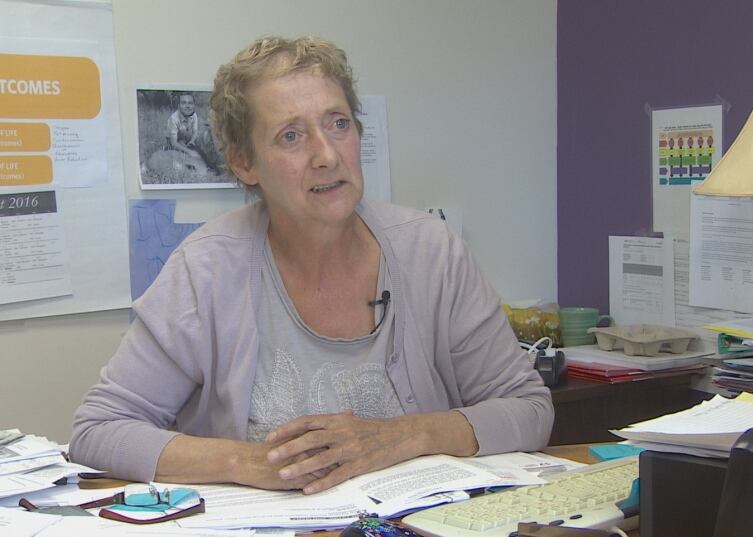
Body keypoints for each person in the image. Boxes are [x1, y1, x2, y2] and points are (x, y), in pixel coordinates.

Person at [70, 36, 554, 495]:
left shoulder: (431, 251)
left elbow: (529, 409)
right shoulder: (206, 270)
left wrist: (403, 436)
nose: (326, 155)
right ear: (244, 163)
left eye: (338, 123)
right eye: (291, 135)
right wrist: (251, 462)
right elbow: (99, 430)